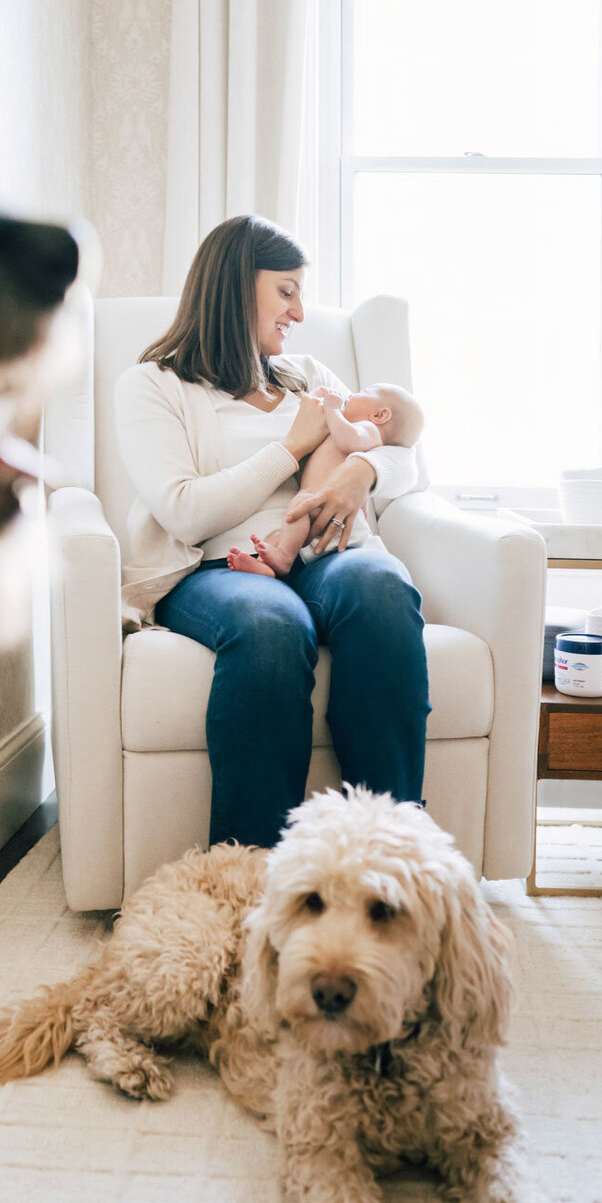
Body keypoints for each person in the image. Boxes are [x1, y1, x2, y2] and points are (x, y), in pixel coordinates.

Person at [115, 213, 429, 851]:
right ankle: (249, 872)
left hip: (328, 550)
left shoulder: (309, 376)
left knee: (381, 589)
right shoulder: (153, 385)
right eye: (285, 291)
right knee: (269, 627)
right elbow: (183, 510)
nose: (299, 311)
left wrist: (360, 473)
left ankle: (387, 857)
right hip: (216, 567)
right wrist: (291, 449)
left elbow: (403, 450)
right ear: (235, 286)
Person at [228, 381, 424, 578]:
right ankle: (266, 564)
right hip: (314, 499)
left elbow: (349, 441)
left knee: (295, 516)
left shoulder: (369, 429)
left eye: (363, 392)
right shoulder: (345, 426)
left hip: (326, 503)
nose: (351, 394)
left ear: (379, 415)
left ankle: (284, 558)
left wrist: (333, 409)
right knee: (278, 536)